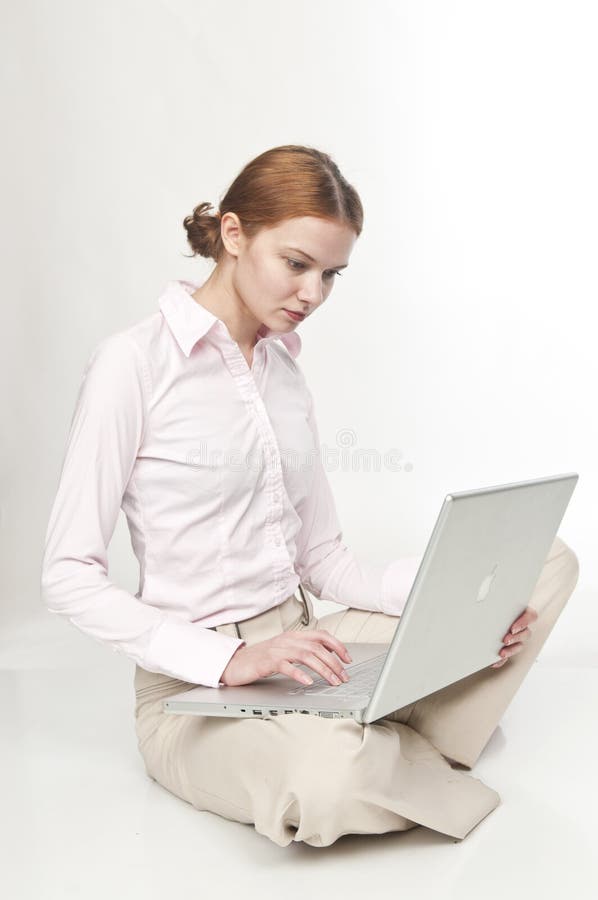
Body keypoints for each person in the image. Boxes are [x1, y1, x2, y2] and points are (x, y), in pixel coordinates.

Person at [40, 144, 580, 848]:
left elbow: (323, 558)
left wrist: (451, 607)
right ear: (234, 235)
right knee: (329, 777)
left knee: (548, 564)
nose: (314, 294)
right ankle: (387, 738)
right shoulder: (132, 365)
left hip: (310, 649)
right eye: (296, 264)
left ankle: (370, 723)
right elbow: (66, 575)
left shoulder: (285, 375)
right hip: (194, 694)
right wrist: (228, 662)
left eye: (331, 274)